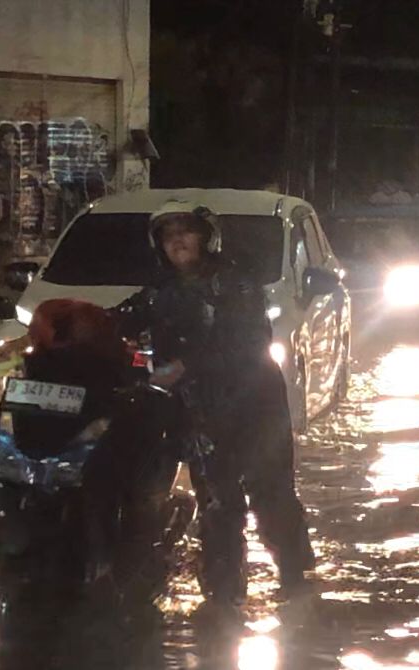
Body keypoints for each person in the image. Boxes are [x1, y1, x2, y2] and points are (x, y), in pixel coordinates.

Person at [117, 201, 316, 611]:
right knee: (216, 501)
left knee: (272, 496)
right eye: (168, 234)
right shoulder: (159, 292)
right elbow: (119, 320)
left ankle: (296, 581)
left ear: (206, 237)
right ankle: (224, 595)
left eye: (185, 231)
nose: (177, 241)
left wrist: (185, 366)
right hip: (201, 412)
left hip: (255, 406)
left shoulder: (236, 285)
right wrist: (62, 329)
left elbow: (245, 344)